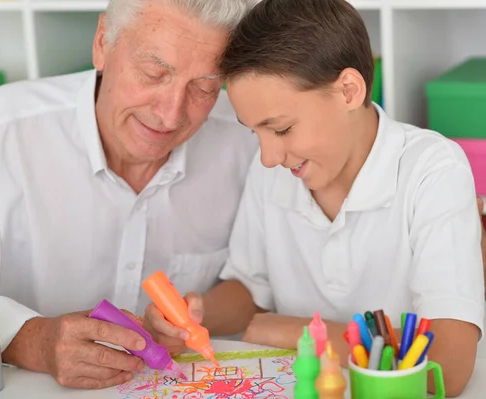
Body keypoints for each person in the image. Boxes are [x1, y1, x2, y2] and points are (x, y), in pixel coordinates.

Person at [0, 0, 259, 390]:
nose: (170, 115)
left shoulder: (245, 141)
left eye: (204, 88)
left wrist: (192, 318)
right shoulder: (3, 133)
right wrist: (31, 340)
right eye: (154, 73)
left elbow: (255, 289)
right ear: (102, 43)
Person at [145, 0, 484, 396]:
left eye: (282, 129)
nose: (269, 157)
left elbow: (449, 366)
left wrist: (299, 331)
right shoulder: (276, 168)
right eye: (255, 133)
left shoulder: (433, 170)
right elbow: (252, 292)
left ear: (348, 91)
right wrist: (191, 316)